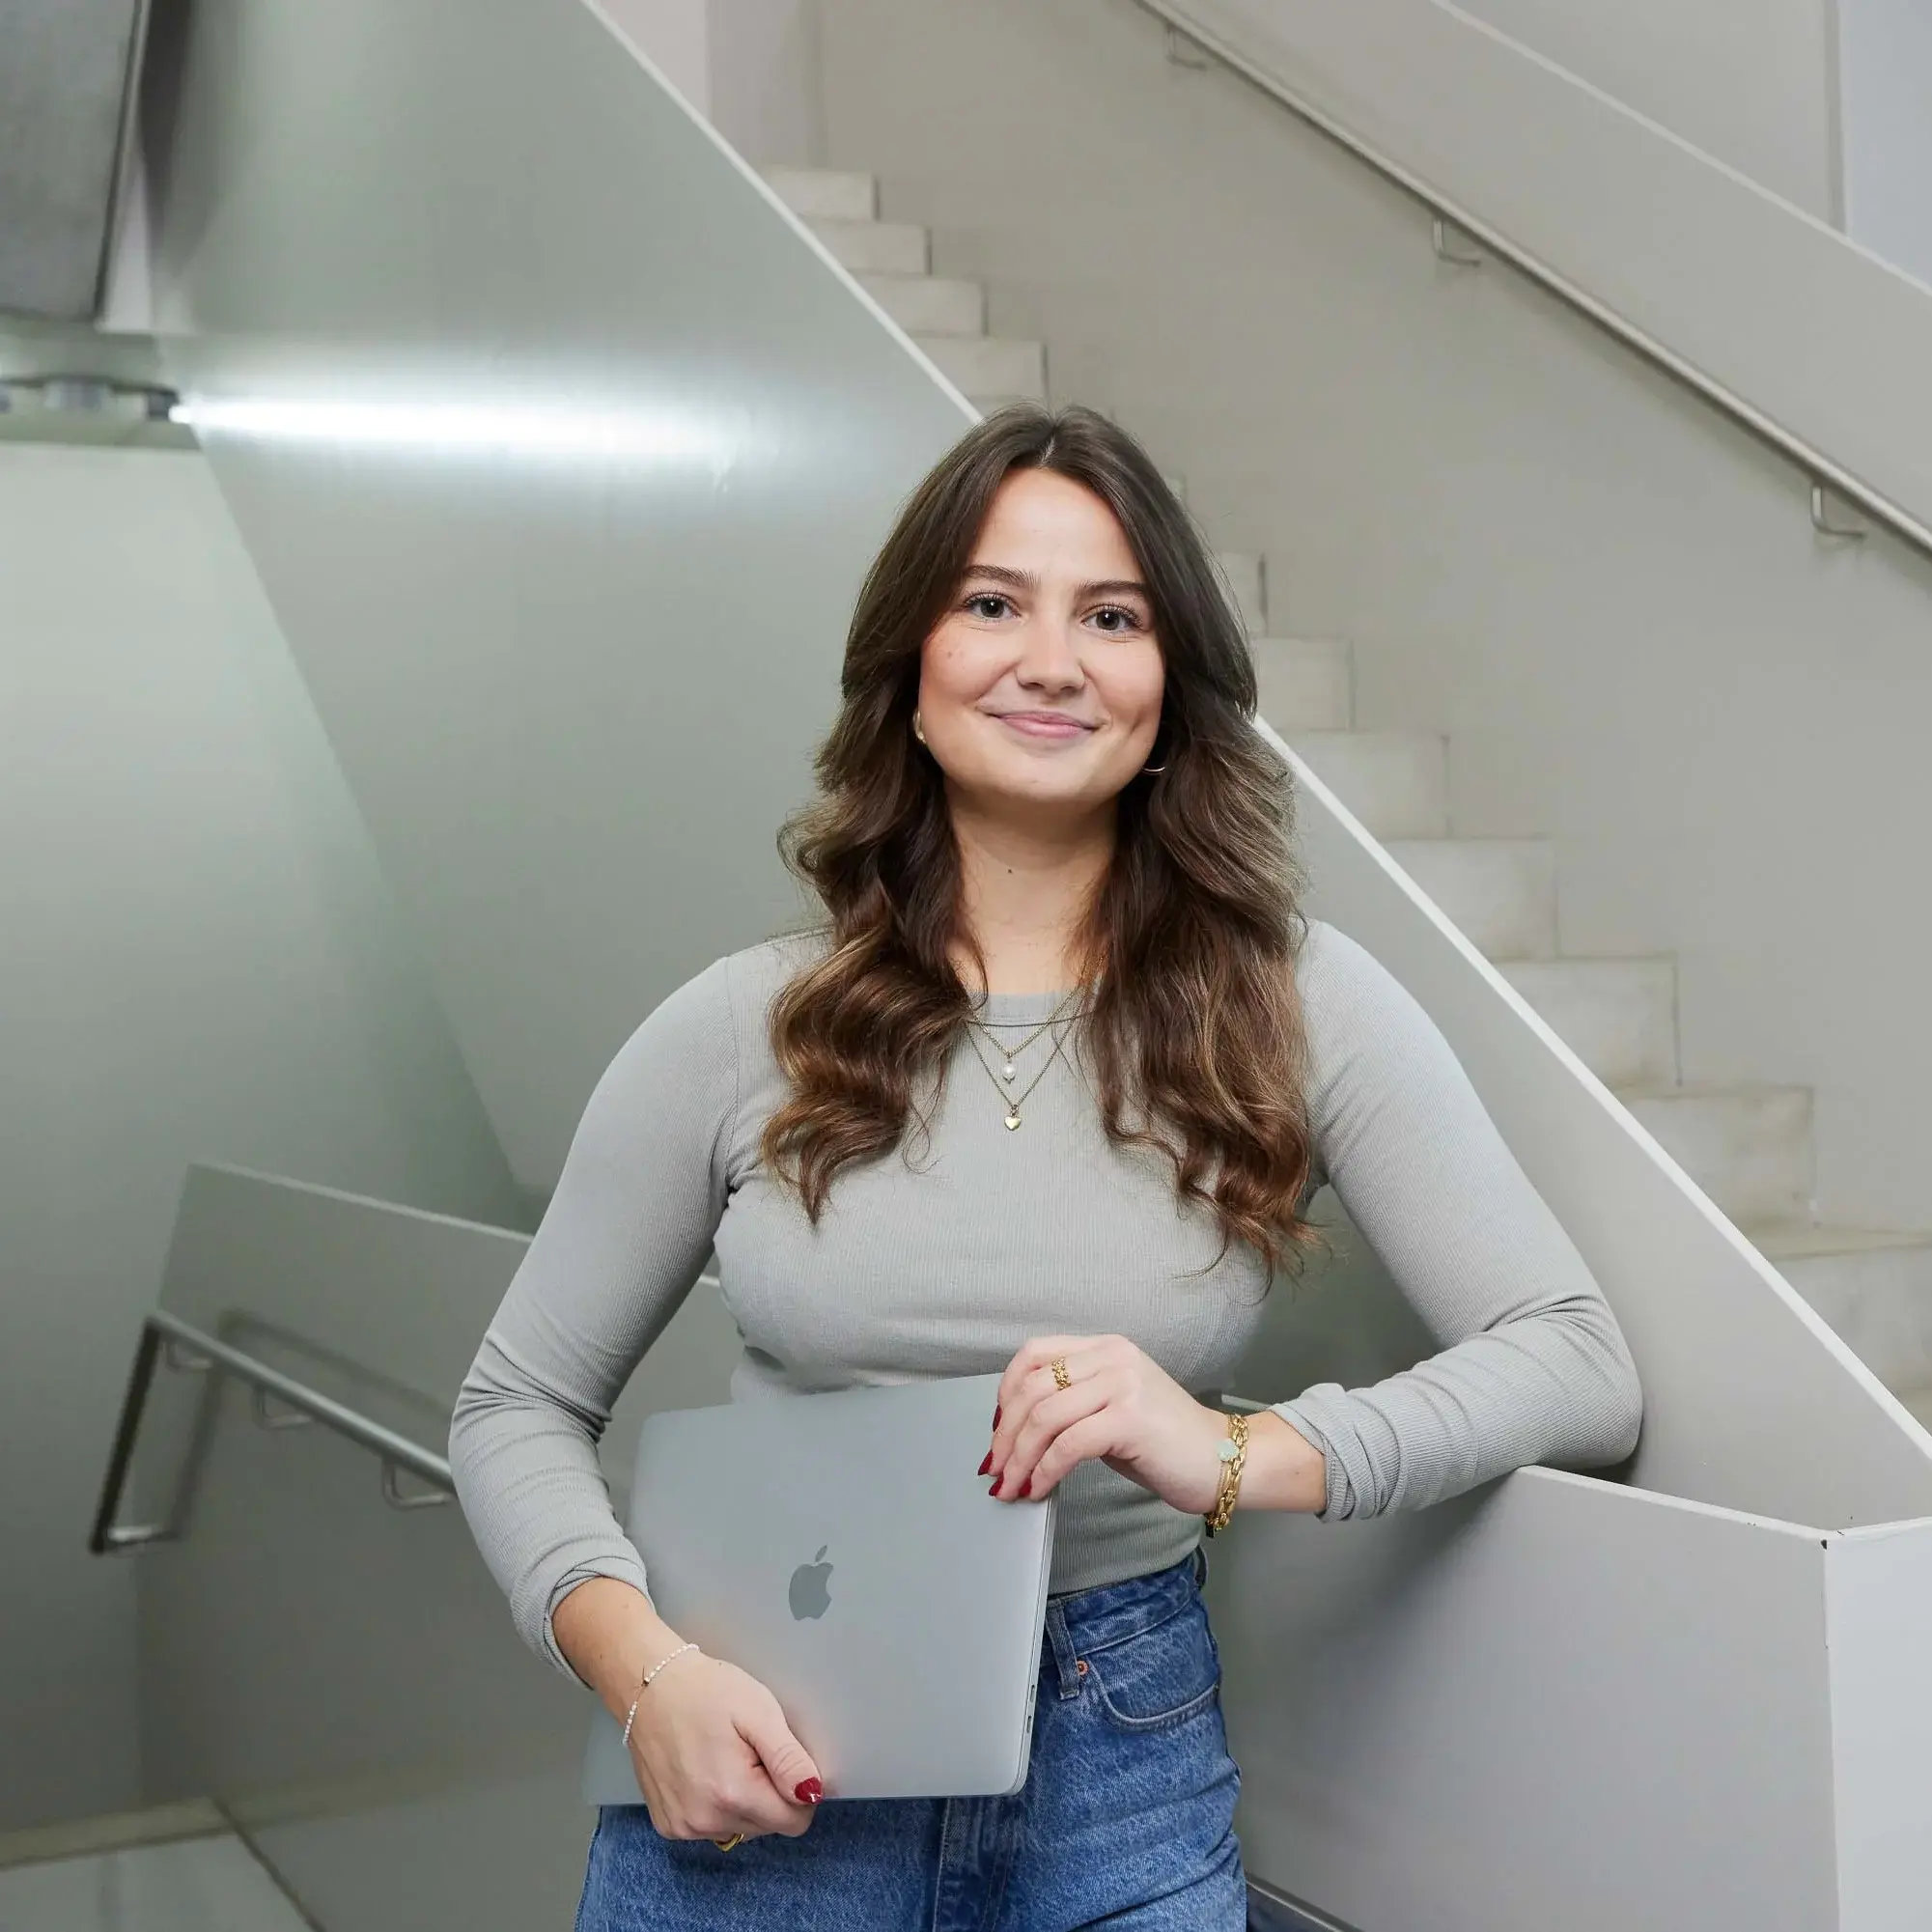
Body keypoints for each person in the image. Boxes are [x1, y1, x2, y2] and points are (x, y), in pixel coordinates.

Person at [449, 403, 1643, 1929]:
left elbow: (1577, 1359)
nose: (1053, 659)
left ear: (1169, 684)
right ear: (913, 670)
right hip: (758, 1745)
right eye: (993, 602)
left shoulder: (1295, 1000)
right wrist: (646, 1677)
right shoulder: (741, 1024)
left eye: (1114, 615)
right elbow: (515, 1404)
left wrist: (1236, 1452)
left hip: (1123, 1766)